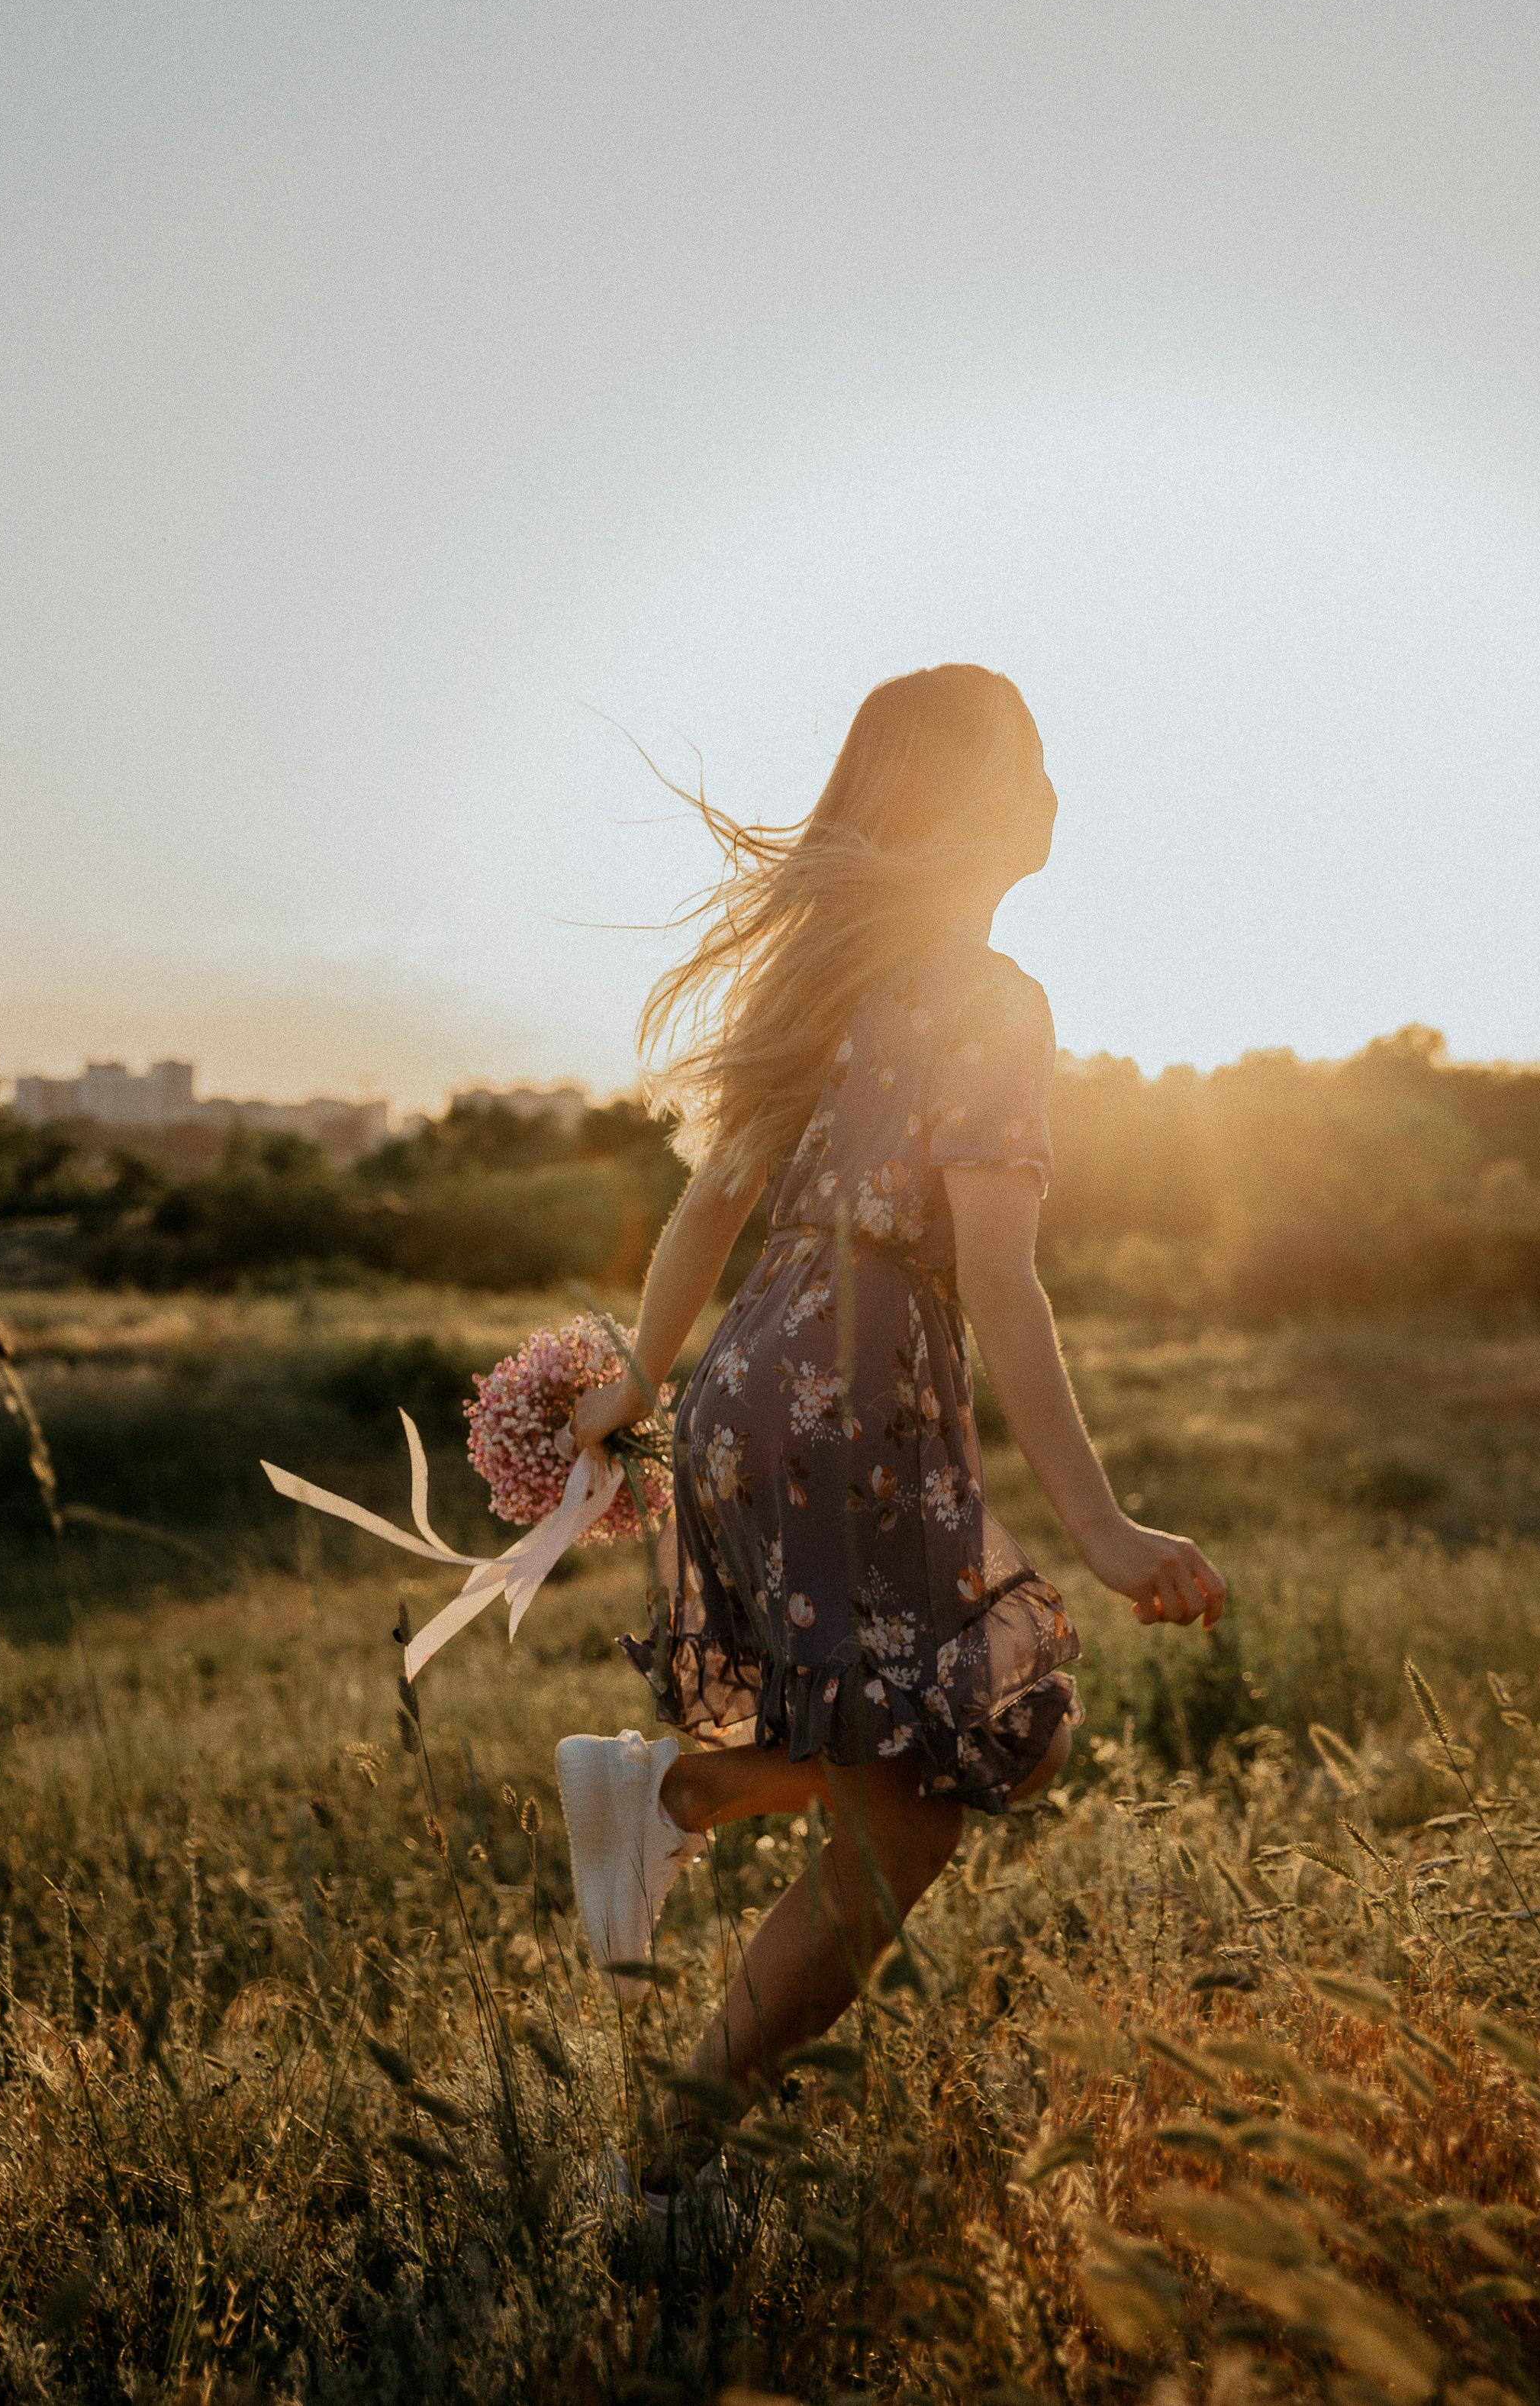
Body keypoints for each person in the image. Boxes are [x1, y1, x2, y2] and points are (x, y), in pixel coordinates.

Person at [555, 664, 1225, 2211]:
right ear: (989, 801)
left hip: (751, 1390)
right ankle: (657, 2180)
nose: (1058, 786)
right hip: (850, 1401)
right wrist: (1107, 1530)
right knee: (914, 1802)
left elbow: (708, 1206)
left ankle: (667, 1797)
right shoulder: (996, 999)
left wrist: (644, 1382)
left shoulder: (819, 993)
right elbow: (1002, 1278)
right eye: (1037, 758)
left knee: (914, 1740)